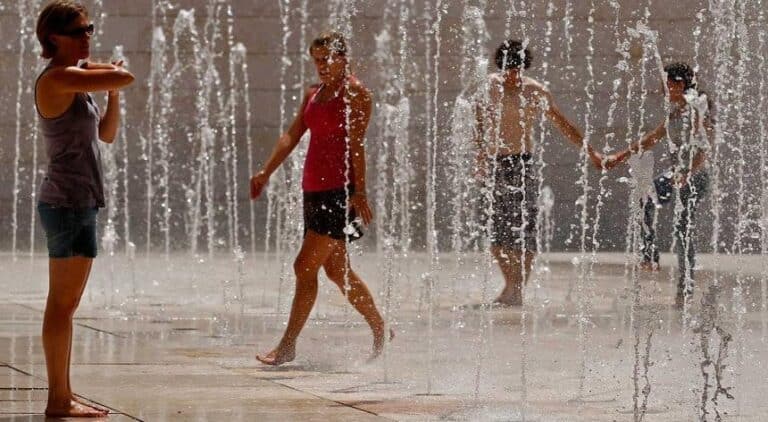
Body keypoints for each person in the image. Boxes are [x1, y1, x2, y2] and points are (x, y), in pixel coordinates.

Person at [250, 32, 388, 365]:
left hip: (338, 192)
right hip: (312, 191)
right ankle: (381, 328)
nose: (322, 66)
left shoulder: (356, 93)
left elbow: (357, 144)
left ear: (344, 58)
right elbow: (292, 134)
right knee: (338, 272)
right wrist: (265, 171)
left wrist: (359, 191)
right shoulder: (314, 93)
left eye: (328, 58)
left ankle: (287, 346)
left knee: (304, 266)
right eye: (317, 60)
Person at [34, 0, 134, 417]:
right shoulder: (58, 79)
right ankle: (58, 399)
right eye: (78, 31)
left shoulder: (76, 83)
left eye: (89, 28)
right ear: (53, 37)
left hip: (79, 202)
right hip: (67, 202)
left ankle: (64, 395)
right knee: (61, 304)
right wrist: (106, 74)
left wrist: (112, 99)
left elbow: (107, 135)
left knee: (67, 305)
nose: (87, 36)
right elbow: (125, 74)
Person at [475, 40, 602, 306]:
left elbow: (564, 125)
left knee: (524, 227)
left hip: (522, 163)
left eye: (517, 70)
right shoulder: (489, 86)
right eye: (508, 69)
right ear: (500, 67)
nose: (513, 75)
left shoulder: (536, 91)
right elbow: (478, 124)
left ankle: (516, 289)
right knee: (496, 231)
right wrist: (480, 159)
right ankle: (510, 285)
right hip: (495, 162)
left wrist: (592, 153)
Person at [602, 62, 711, 308]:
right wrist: (617, 157)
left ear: (679, 84)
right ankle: (650, 254)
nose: (663, 89)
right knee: (645, 198)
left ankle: (685, 289)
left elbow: (704, 146)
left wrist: (687, 172)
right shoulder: (676, 113)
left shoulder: (696, 110)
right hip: (677, 174)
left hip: (696, 177)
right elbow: (651, 138)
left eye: (667, 84)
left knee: (683, 231)